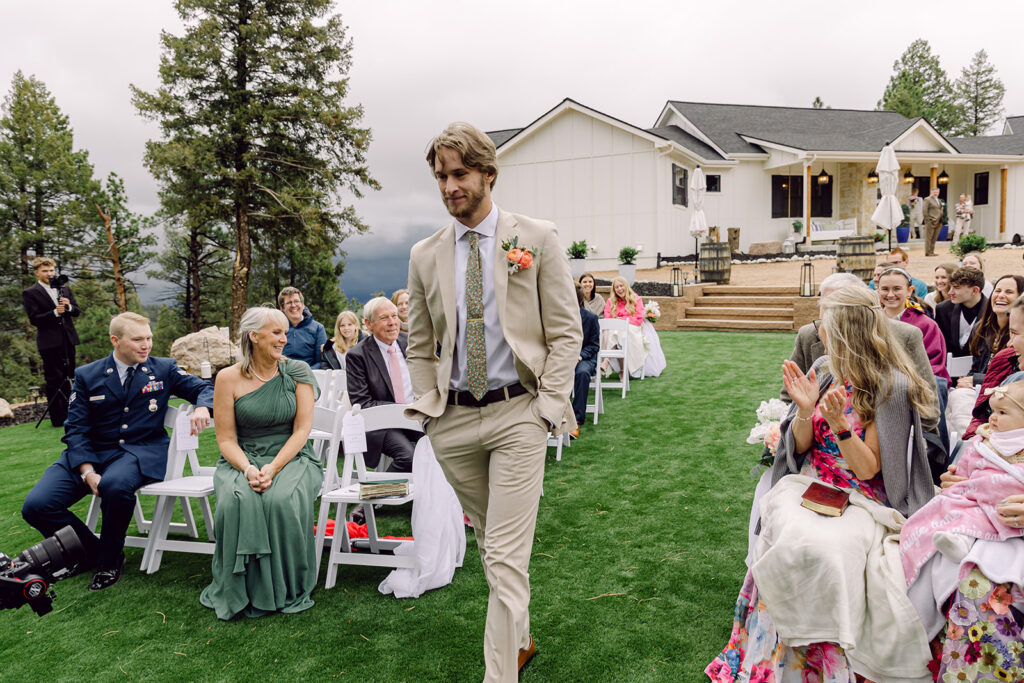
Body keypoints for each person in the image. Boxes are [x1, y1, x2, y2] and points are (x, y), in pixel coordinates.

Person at [406, 121, 581, 681]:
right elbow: (417, 340)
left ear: (488, 174)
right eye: (441, 176)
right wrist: (429, 405)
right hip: (452, 423)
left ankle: (501, 672)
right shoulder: (424, 253)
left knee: (505, 552)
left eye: (459, 174)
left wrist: (548, 408)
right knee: (492, 543)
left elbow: (565, 332)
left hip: (517, 415)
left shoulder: (535, 238)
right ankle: (521, 638)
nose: (450, 185)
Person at [707, 286, 938, 682]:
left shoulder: (891, 386)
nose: (818, 329)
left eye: (824, 322)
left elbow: (869, 472)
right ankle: (771, 659)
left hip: (863, 496)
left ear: (845, 328)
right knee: (787, 533)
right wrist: (806, 410)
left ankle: (826, 664)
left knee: (828, 550)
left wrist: (840, 427)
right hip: (811, 482)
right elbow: (799, 446)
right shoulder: (825, 370)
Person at [21, 312, 213, 591]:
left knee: (114, 486)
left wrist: (202, 405)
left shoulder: (164, 368)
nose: (146, 345)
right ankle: (88, 552)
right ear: (116, 341)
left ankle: (110, 560)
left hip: (139, 452)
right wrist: (87, 471)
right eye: (137, 339)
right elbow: (75, 430)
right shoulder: (88, 375)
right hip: (92, 453)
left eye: (148, 337)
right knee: (36, 506)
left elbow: (204, 387)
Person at [199, 307, 322, 620]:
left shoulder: (297, 372)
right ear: (253, 336)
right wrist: (250, 469)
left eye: (284, 332)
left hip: (292, 455)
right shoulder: (227, 378)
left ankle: (288, 587)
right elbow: (226, 439)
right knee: (236, 501)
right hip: (244, 458)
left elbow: (302, 430)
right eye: (276, 332)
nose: (284, 338)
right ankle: (244, 589)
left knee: (281, 500)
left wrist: (274, 467)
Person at [907, 375, 1024, 679]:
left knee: (989, 587)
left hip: (1008, 524)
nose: (993, 418)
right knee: (950, 565)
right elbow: (966, 473)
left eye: (1017, 333)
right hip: (980, 516)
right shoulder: (988, 438)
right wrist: (960, 484)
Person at [345, 297, 420, 474]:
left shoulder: (410, 343)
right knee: (408, 457)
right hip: (382, 424)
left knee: (443, 448)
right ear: (368, 323)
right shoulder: (358, 356)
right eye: (384, 318)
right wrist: (402, 409)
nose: (392, 323)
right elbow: (362, 402)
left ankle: (430, 499)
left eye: (394, 316)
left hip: (417, 418)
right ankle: (373, 499)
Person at [22, 256, 81, 427]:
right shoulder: (30, 293)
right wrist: (55, 312)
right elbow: (34, 319)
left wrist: (68, 307)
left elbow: (76, 311)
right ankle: (59, 418)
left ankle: (76, 414)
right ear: (37, 272)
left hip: (68, 339)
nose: (49, 274)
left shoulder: (64, 289)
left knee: (71, 376)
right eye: (45, 271)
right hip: (49, 342)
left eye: (51, 270)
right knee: (55, 379)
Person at [964, 297, 1024, 440]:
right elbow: (983, 417)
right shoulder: (1013, 377)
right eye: (1011, 333)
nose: (1010, 343)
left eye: (1015, 333)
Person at [600, 276, 648, 378]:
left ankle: (606, 361)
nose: (619, 289)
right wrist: (619, 321)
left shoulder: (636, 299)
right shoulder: (610, 301)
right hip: (616, 329)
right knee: (615, 332)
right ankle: (620, 369)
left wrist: (621, 320)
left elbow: (638, 319)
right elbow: (608, 318)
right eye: (616, 287)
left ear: (626, 286)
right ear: (614, 290)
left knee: (617, 332)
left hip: (633, 328)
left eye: (621, 286)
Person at [571, 282, 600, 439]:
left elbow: (594, 346)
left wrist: (579, 356)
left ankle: (576, 420)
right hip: (563, 356)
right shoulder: (559, 317)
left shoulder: (591, 318)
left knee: (581, 373)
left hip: (585, 358)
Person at [278, 286, 326, 369]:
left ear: (303, 305)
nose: (293, 305)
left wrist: (305, 373)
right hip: (281, 374)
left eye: (296, 301)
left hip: (309, 375)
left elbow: (321, 361)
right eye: (289, 302)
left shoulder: (318, 328)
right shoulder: (276, 328)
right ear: (282, 308)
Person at [923, 186, 944, 257]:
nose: (936, 193)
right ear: (931, 192)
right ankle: (927, 252)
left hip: (939, 221)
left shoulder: (939, 200)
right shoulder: (927, 199)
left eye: (937, 192)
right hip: (931, 221)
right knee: (929, 237)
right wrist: (927, 220)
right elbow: (924, 210)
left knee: (934, 237)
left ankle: (932, 251)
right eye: (934, 192)